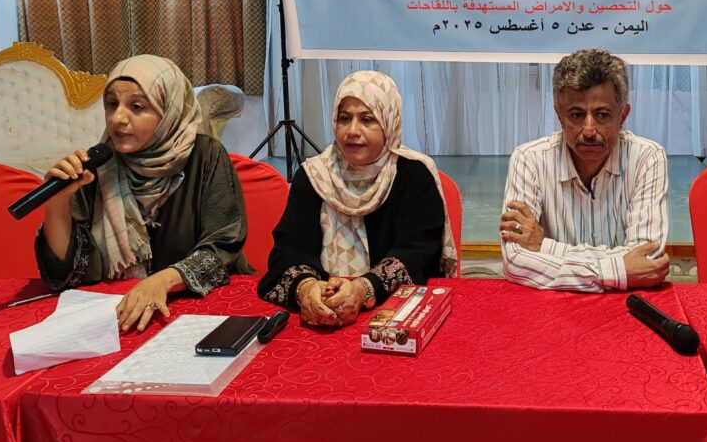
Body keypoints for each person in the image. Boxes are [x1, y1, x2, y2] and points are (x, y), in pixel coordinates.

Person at [35, 54, 250, 333]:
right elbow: (68, 272)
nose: (118, 118)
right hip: (120, 316)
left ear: (169, 111)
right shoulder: (97, 165)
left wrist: (162, 281)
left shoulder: (205, 155)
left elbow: (224, 244)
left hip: (199, 311)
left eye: (136, 106)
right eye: (112, 104)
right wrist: (56, 205)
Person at [258, 71, 457, 326]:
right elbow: (290, 248)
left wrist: (364, 289)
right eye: (344, 119)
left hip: (395, 318)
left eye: (367, 119)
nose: (352, 131)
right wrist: (306, 288)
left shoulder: (413, 174)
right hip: (323, 312)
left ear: (388, 122)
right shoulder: (314, 175)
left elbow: (418, 254)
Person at [500, 48, 669, 292]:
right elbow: (515, 261)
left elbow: (647, 259)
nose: (589, 130)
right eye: (577, 115)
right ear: (559, 115)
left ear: (622, 115)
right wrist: (619, 271)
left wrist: (545, 247)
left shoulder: (647, 158)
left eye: (602, 115)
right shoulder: (528, 160)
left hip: (623, 306)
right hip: (552, 307)